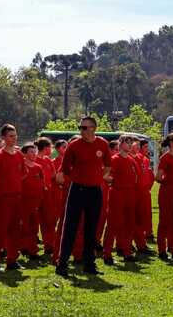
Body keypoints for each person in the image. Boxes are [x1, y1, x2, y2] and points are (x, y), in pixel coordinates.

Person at [54, 116, 112, 277]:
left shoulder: (102, 144)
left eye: (85, 127)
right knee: (70, 227)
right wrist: (79, 177)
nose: (82, 130)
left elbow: (108, 165)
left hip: (95, 191)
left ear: (93, 128)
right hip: (77, 190)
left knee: (91, 228)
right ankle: (62, 263)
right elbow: (65, 168)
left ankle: (89, 264)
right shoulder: (74, 146)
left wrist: (98, 176)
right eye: (81, 127)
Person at [0, 124, 26, 272]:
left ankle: (12, 260)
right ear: (3, 138)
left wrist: (15, 183)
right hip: (2, 198)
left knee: (15, 230)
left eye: (15, 135)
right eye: (10, 136)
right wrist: (1, 184)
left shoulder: (19, 155)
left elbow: (23, 173)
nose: (14, 138)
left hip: (16, 198)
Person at [102, 134, 139, 265]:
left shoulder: (132, 160)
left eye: (131, 143)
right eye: (127, 142)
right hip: (117, 193)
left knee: (129, 223)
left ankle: (127, 251)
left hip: (130, 193)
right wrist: (116, 181)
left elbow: (136, 178)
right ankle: (107, 253)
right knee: (113, 223)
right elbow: (105, 176)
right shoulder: (114, 159)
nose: (130, 145)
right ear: (120, 143)